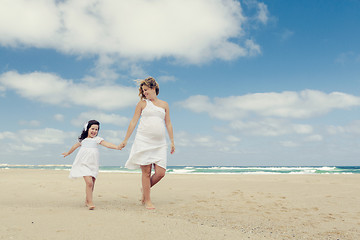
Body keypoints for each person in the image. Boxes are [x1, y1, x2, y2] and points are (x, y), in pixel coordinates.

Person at [119, 77, 175, 210]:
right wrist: (126, 139)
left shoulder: (164, 105)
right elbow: (133, 122)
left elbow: (168, 123)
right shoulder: (142, 104)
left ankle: (145, 189)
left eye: (146, 90)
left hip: (160, 143)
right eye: (143, 91)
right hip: (143, 141)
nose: (144, 93)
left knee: (160, 173)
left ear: (153, 88)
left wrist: (172, 141)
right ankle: (147, 200)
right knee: (146, 172)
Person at [62, 120, 120, 210]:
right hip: (83, 163)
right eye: (92, 128)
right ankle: (90, 202)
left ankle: (87, 200)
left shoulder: (97, 139)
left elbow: (107, 144)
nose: (94, 131)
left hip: (93, 164)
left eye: (96, 129)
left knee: (92, 183)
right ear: (87, 129)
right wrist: (68, 153)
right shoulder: (83, 140)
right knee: (89, 183)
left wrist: (117, 147)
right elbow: (75, 146)